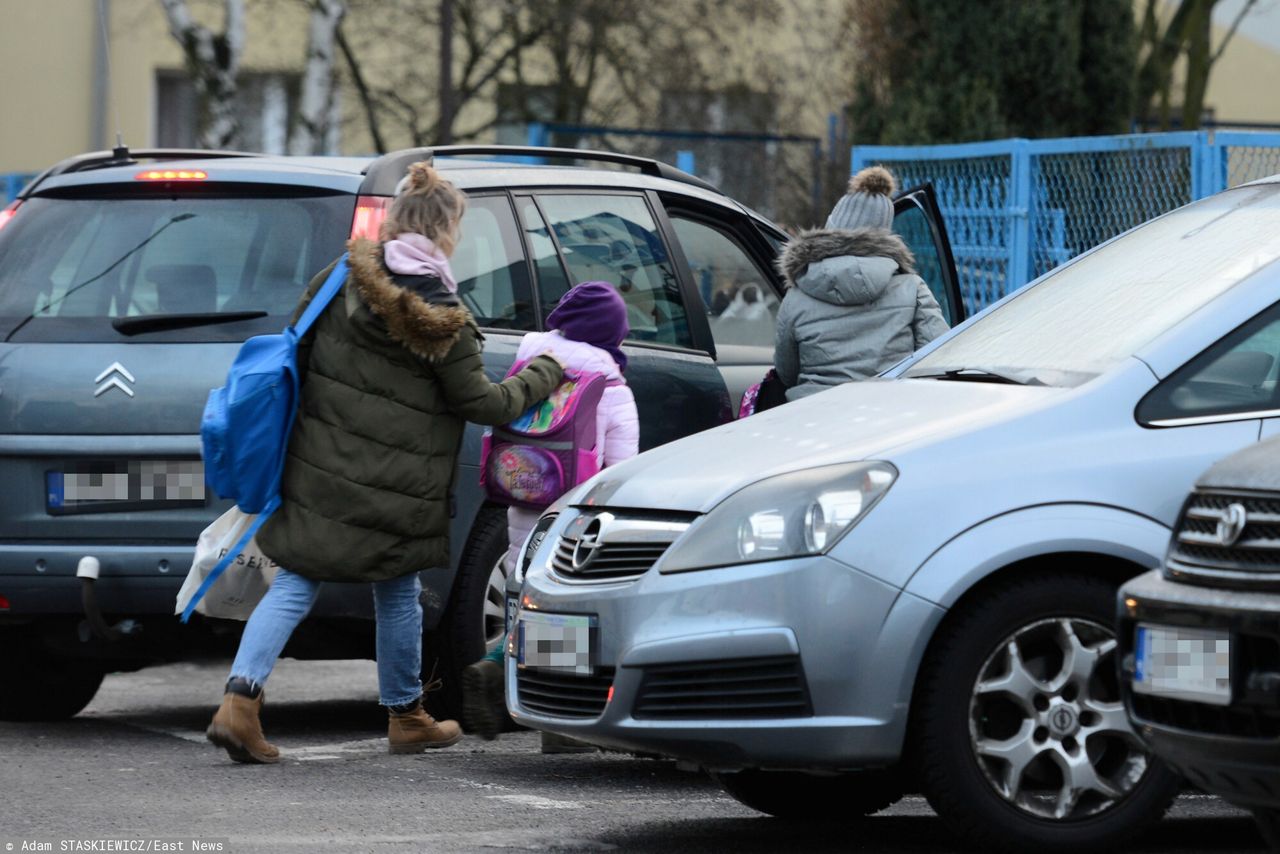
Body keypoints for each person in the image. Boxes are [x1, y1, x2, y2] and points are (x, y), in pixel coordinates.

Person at [205, 162, 565, 764]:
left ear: (395, 221)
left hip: (318, 468)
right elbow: (480, 401)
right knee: (396, 593)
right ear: (447, 231)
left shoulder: (338, 276)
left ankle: (238, 704)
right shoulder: (444, 318)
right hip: (398, 487)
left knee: (294, 581)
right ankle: (406, 716)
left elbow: (297, 346)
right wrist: (544, 373)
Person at [461, 280, 640, 742]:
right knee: (564, 611)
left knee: (524, 599)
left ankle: (494, 665)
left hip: (522, 498)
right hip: (575, 515)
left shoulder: (531, 365)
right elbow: (622, 471)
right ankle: (557, 729)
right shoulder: (611, 388)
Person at [774, 165, 949, 401]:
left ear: (831, 227)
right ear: (885, 234)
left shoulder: (797, 296)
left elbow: (786, 372)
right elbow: (938, 357)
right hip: (888, 417)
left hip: (811, 416)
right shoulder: (912, 289)